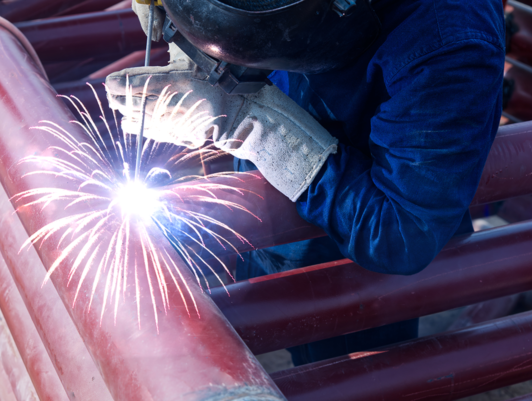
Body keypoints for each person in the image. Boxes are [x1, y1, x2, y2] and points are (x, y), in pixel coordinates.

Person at [106, 0, 505, 366]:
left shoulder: (449, 42)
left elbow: (401, 233)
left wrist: (251, 124)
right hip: (273, 230)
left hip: (356, 276)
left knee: (348, 376)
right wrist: (193, 29)